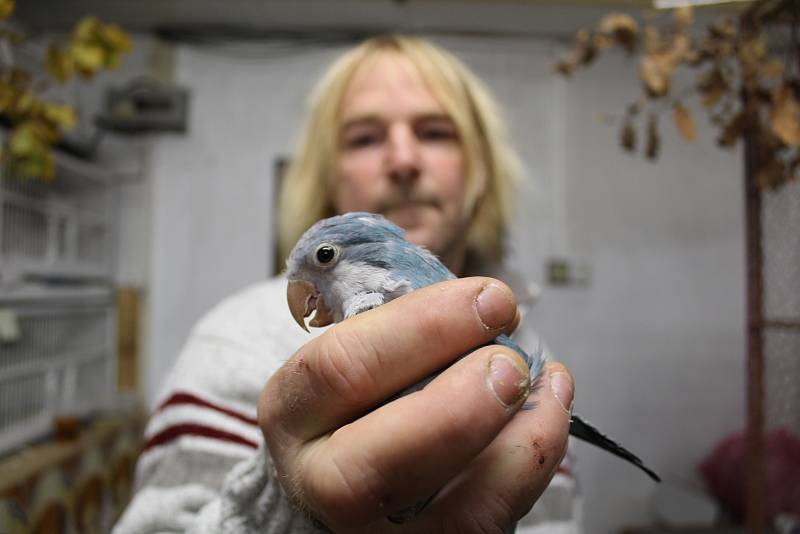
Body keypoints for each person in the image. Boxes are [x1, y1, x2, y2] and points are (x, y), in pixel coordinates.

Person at [114, 35, 577, 533]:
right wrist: (289, 500)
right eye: (364, 139)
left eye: (436, 132)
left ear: (480, 172)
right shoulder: (230, 343)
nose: (403, 161)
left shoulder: (525, 335)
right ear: (327, 179)